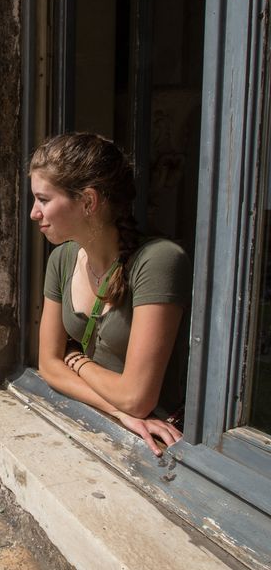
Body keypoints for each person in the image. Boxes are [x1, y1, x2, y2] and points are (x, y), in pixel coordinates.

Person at [30, 133, 191, 457]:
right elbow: (47, 364)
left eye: (44, 200)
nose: (34, 213)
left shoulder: (157, 261)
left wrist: (76, 360)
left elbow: (137, 398)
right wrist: (117, 411)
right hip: (102, 424)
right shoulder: (62, 259)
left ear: (88, 201)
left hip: (160, 444)